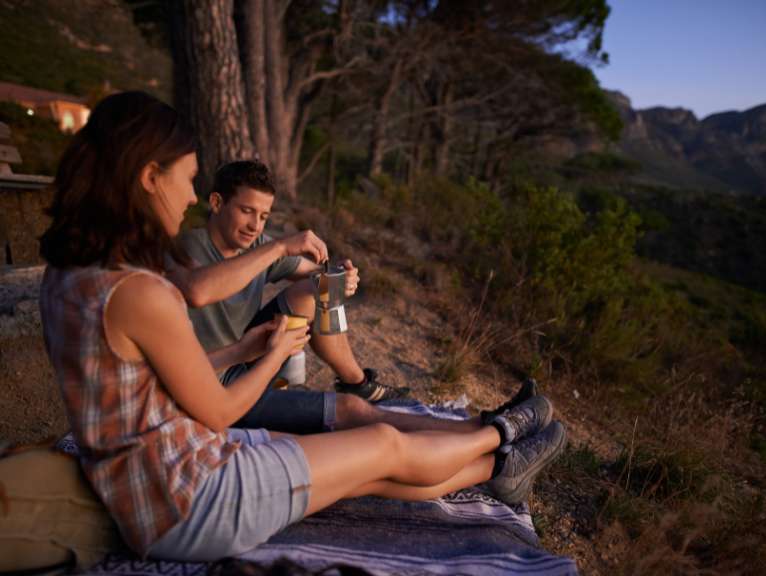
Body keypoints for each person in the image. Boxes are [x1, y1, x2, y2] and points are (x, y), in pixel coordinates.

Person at [38, 91, 566, 561]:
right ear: (149, 176)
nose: (192, 196)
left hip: (151, 493)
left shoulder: (67, 275)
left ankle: (500, 470)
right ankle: (502, 435)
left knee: (374, 471)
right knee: (382, 442)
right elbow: (219, 411)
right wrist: (272, 354)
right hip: (191, 500)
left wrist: (242, 348)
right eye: (188, 179)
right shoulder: (139, 290)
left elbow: (144, 387)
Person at [165, 159, 526, 436]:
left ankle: (358, 382)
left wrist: (340, 278)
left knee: (316, 290)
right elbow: (199, 290)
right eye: (246, 211)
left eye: (263, 216)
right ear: (216, 202)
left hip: (249, 357)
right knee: (351, 414)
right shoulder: (186, 248)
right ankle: (484, 431)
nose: (255, 226)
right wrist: (277, 247)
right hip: (215, 383)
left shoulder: (258, 246)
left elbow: (317, 276)